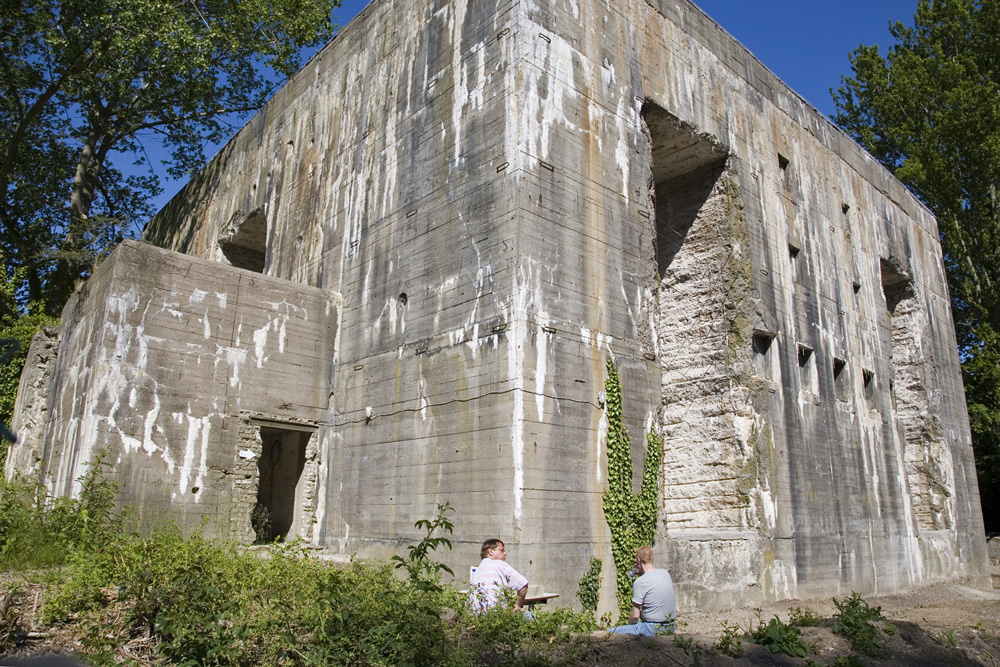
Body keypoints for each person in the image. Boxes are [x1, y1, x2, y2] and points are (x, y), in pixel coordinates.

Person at [609, 545, 676, 635]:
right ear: (652, 558)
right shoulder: (665, 573)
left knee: (609, 633)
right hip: (670, 626)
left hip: (651, 628)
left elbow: (635, 616)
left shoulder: (640, 582)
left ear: (638, 560)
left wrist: (630, 627)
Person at [469, 538, 529, 612]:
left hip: (475, 616)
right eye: (502, 550)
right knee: (529, 615)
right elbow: (523, 584)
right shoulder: (499, 564)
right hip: (497, 615)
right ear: (490, 552)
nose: (505, 553)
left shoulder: (477, 571)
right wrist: (517, 605)